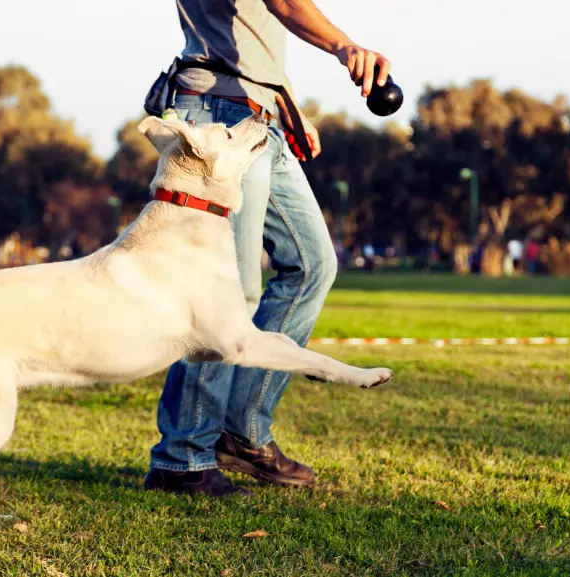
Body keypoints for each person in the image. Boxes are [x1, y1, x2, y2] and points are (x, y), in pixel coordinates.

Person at [143, 0, 393, 497]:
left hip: (257, 118)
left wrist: (284, 105)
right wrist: (345, 47)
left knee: (311, 265)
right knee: (228, 297)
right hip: (219, 117)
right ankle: (183, 457)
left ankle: (242, 432)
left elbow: (251, 34)